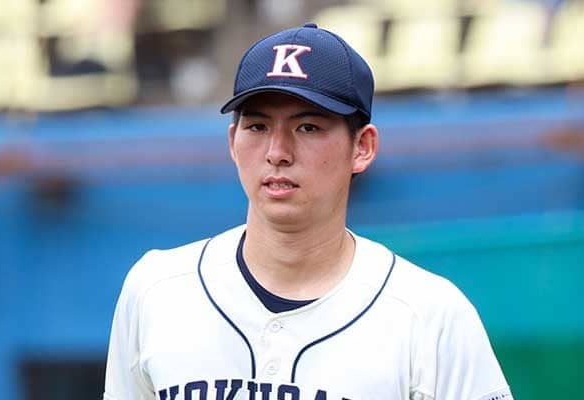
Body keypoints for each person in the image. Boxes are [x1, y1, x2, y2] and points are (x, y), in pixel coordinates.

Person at [103, 23, 512, 400]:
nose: (277, 152)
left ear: (362, 147)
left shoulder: (431, 315)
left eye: (308, 127)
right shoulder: (156, 290)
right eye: (257, 127)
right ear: (232, 142)